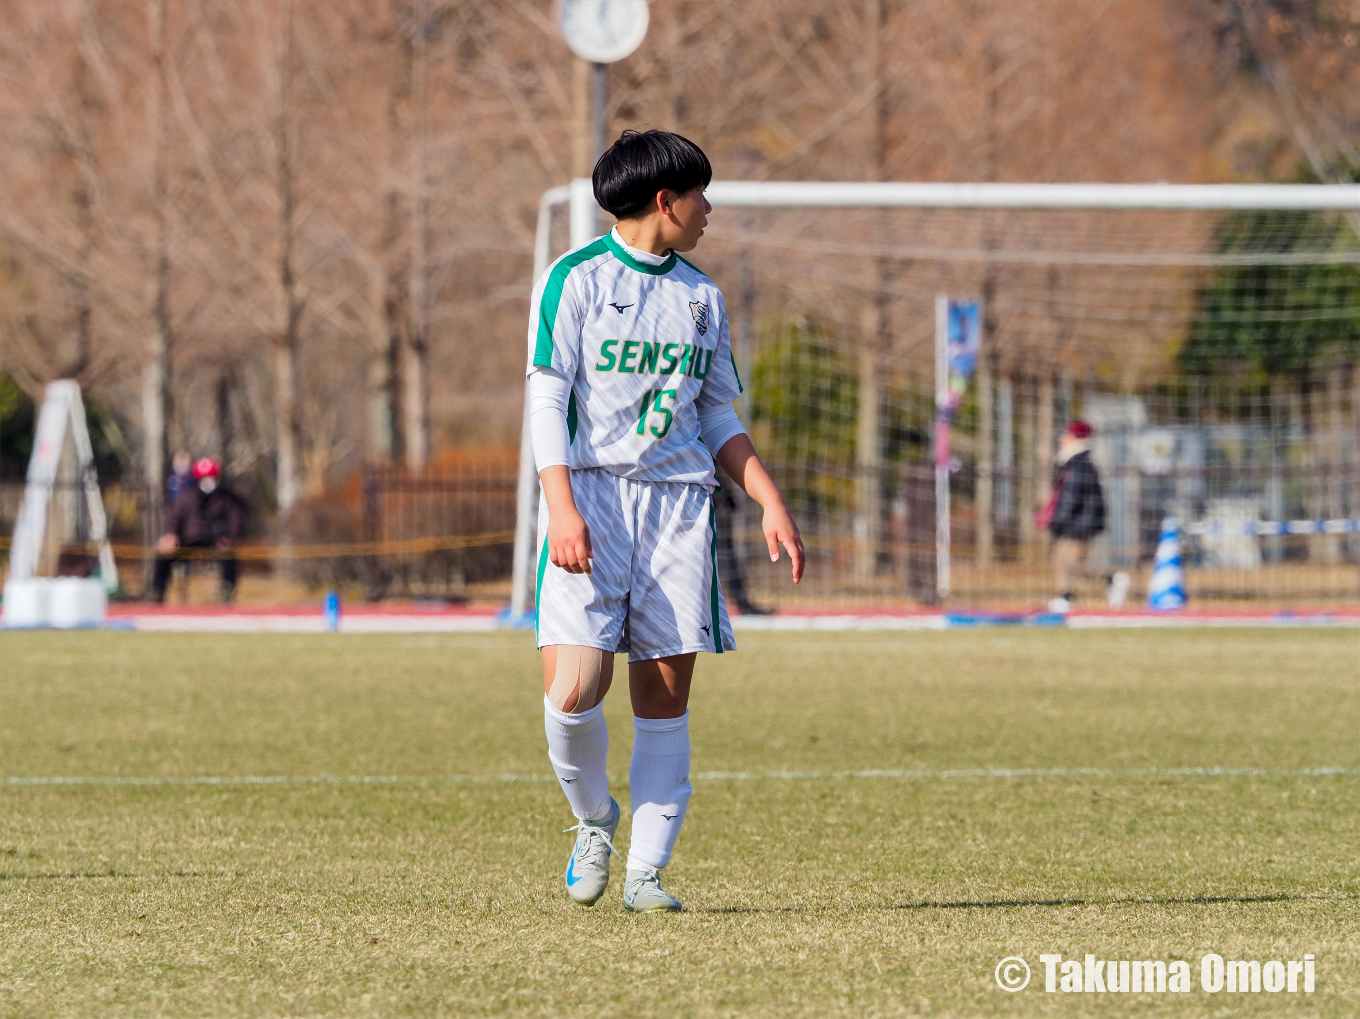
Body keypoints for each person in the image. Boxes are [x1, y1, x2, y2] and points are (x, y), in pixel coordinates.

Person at [526, 129, 803, 912]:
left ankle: (647, 872)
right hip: (593, 496)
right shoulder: (574, 280)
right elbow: (547, 397)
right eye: (700, 195)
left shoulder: (701, 297)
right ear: (664, 200)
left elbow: (716, 412)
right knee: (576, 689)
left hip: (678, 505)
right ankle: (594, 820)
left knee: (664, 692)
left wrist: (767, 496)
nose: (709, 208)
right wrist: (563, 506)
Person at [1038, 420, 1129, 612]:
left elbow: (1072, 497)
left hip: (1079, 523)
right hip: (1076, 521)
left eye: (1065, 435)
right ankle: (1066, 597)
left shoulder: (1078, 465)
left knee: (1071, 562)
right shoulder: (1071, 463)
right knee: (1061, 560)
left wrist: (1057, 519)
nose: (1061, 439)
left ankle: (1111, 578)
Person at [152, 457, 247, 604]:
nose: (208, 482)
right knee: (163, 554)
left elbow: (235, 519)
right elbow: (175, 518)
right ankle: (157, 594)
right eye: (204, 478)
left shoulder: (226, 498)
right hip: (188, 541)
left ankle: (227, 592)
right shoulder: (186, 497)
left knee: (229, 556)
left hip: (215, 542)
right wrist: (171, 535)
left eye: (211, 478)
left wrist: (229, 538)